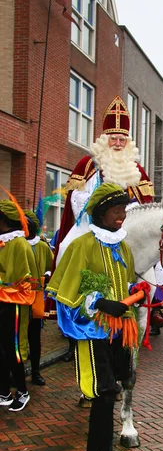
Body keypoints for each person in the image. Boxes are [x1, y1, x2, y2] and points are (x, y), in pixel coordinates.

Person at [47, 184, 143, 451]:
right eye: (116, 210)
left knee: (108, 398)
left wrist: (137, 292)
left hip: (119, 335)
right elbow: (68, 294)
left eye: (124, 210)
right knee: (103, 395)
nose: (121, 216)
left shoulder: (123, 247)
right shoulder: (82, 245)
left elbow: (127, 285)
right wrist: (101, 303)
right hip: (91, 334)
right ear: (101, 211)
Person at [56, 95, 154, 262]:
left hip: (127, 226)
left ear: (127, 142)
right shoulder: (89, 164)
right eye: (113, 139)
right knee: (67, 247)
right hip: (91, 224)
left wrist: (127, 212)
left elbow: (146, 205)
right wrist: (99, 207)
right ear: (104, 140)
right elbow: (76, 197)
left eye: (121, 140)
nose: (117, 143)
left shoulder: (137, 170)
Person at [0, 199, 38, 411]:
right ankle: (4, 392)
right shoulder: (3, 242)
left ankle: (22, 391)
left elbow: (22, 281)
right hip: (2, 303)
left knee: (12, 348)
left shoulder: (19, 244)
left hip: (13, 306)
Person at [25, 210, 53, 386]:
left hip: (35, 298)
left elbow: (52, 266)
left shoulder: (42, 246)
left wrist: (46, 276)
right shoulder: (13, 244)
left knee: (34, 337)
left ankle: (36, 371)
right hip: (15, 298)